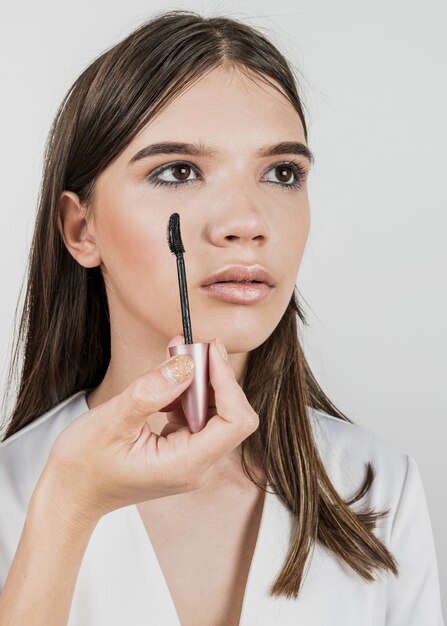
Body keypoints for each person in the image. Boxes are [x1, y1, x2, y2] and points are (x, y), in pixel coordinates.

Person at [0, 9, 444, 626]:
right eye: (178, 171)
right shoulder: (11, 492)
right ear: (82, 229)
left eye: (282, 173)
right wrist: (67, 507)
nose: (247, 222)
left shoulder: (375, 485)